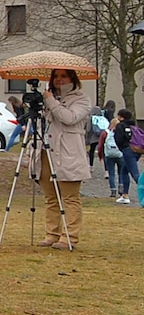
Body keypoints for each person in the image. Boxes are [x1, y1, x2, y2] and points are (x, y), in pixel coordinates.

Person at [37, 69, 93, 247]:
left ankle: (70, 236)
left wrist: (51, 101)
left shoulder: (82, 99)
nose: (59, 80)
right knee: (50, 196)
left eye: (63, 76)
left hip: (68, 152)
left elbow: (69, 117)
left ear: (72, 78)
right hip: (47, 151)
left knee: (70, 197)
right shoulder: (49, 99)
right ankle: (51, 234)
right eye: (55, 76)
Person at [114, 108, 139, 205]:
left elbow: (119, 139)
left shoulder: (120, 125)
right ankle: (125, 195)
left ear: (121, 117)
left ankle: (141, 189)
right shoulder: (133, 125)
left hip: (127, 150)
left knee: (135, 173)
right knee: (124, 171)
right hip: (136, 150)